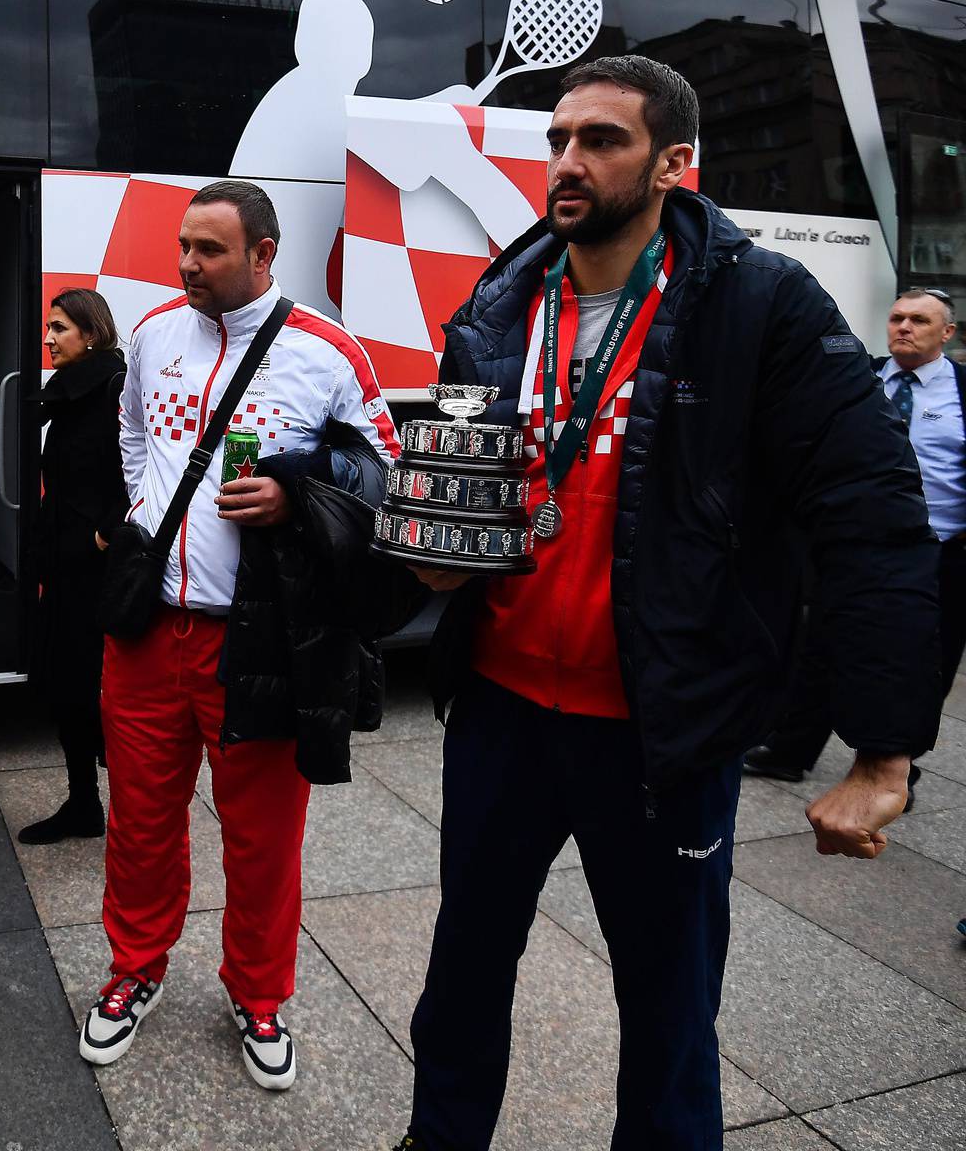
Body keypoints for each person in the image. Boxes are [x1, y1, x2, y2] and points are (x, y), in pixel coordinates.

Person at [391, 56, 937, 1151]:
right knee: (461, 970)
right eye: (557, 139)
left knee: (671, 1008)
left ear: (676, 164)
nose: (567, 162)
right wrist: (434, 560)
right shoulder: (503, 299)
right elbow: (467, 489)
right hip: (499, 711)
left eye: (601, 140)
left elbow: (872, 515)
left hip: (661, 732)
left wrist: (884, 753)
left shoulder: (761, 303)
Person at [77, 179, 398, 1092]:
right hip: (145, 635)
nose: (187, 265)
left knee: (262, 835)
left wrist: (297, 491)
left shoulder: (326, 351)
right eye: (183, 246)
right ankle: (133, 971)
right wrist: (146, 508)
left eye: (209, 250)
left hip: (258, 641)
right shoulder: (151, 336)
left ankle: (259, 995)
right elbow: (134, 433)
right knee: (140, 822)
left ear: (264, 253)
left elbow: (380, 466)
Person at [742, 285, 963, 801]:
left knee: (929, 658)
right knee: (820, 643)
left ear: (947, 333)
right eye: (897, 318)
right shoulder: (857, 377)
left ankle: (896, 760)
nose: (903, 328)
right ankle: (791, 750)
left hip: (943, 551)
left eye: (919, 321)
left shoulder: (959, 391)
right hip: (852, 540)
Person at [17, 289, 126, 846]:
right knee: (67, 686)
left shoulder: (113, 389)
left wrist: (103, 535)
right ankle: (84, 801)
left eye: (59, 327)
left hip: (92, 568)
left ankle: (106, 805)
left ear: (91, 332)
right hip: (63, 561)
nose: (48, 338)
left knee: (88, 688)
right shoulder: (69, 393)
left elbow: (139, 469)